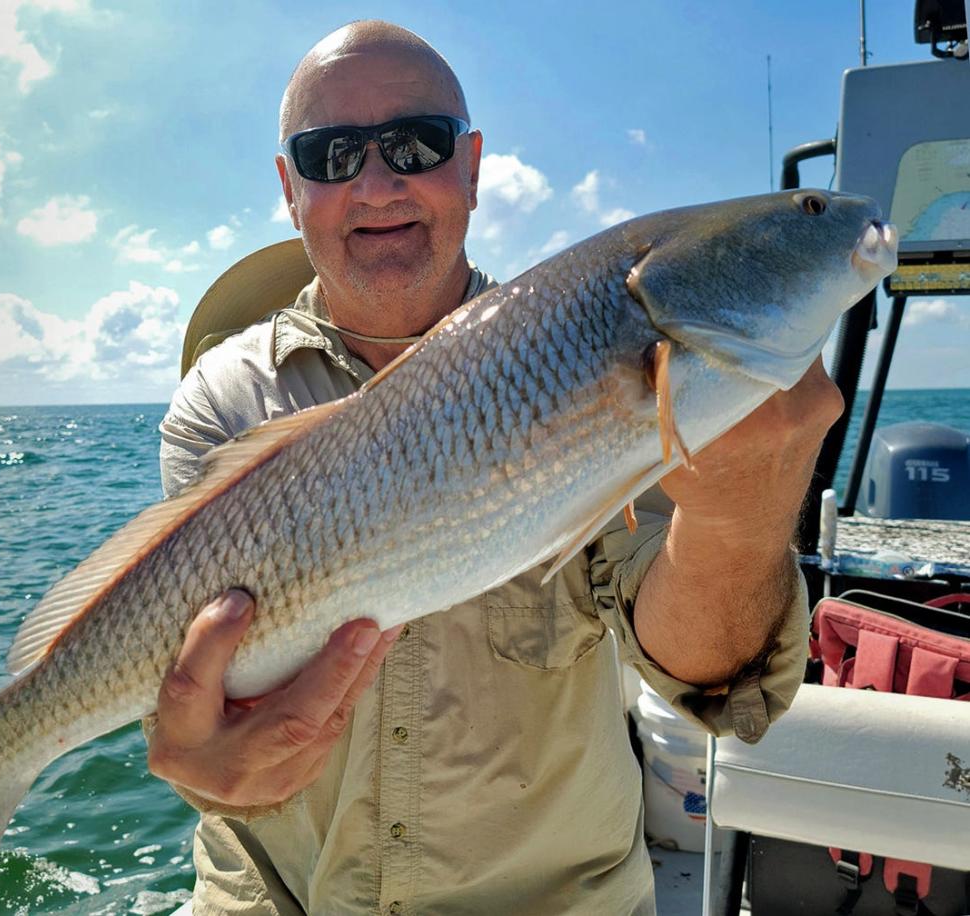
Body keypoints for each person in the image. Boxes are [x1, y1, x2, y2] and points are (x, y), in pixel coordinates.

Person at [149, 20, 839, 915]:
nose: (378, 179)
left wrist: (740, 514)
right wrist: (205, 761)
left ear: (471, 168)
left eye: (416, 143)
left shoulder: (587, 355)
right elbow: (195, 676)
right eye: (331, 153)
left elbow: (704, 673)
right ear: (290, 188)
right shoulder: (223, 398)